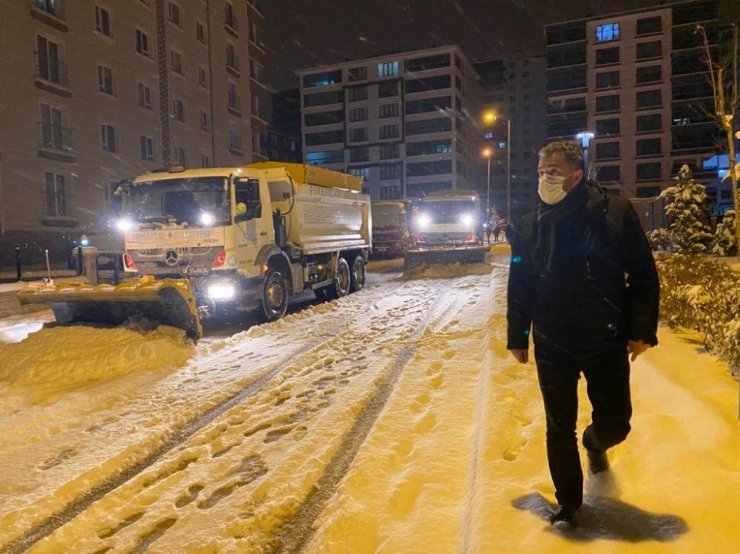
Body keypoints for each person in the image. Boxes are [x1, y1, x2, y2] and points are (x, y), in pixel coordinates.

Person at [506, 141, 659, 529]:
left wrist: (641, 330)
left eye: (554, 170)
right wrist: (518, 334)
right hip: (553, 339)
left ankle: (595, 445)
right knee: (559, 427)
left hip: (604, 337)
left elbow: (642, 274)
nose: (545, 177)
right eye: (541, 170)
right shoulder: (529, 222)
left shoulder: (613, 213)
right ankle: (569, 506)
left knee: (616, 423)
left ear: (577, 174)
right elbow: (520, 281)